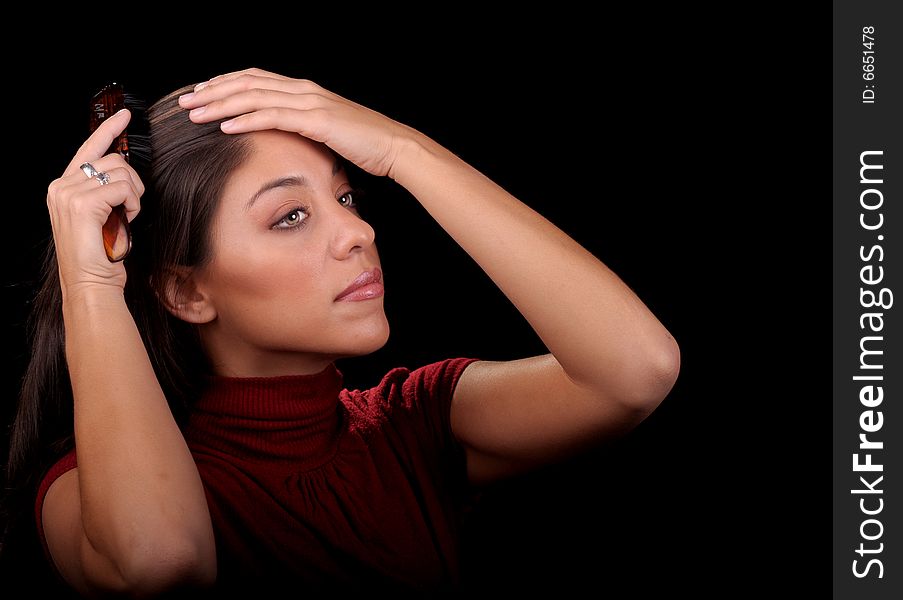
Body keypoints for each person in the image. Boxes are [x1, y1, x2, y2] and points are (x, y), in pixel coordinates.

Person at [3, 68, 680, 596]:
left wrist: (400, 148)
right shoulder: (87, 493)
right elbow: (161, 563)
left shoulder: (415, 425)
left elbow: (635, 371)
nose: (359, 233)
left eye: (347, 197)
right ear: (185, 289)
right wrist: (90, 282)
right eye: (291, 216)